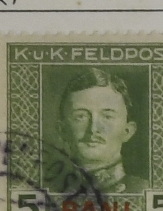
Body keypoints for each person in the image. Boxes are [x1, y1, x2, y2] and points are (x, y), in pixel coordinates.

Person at [53, 67, 144, 196]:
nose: (93, 129)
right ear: (62, 130)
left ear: (127, 131)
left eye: (107, 117)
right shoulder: (44, 190)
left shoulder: (144, 190)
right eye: (81, 116)